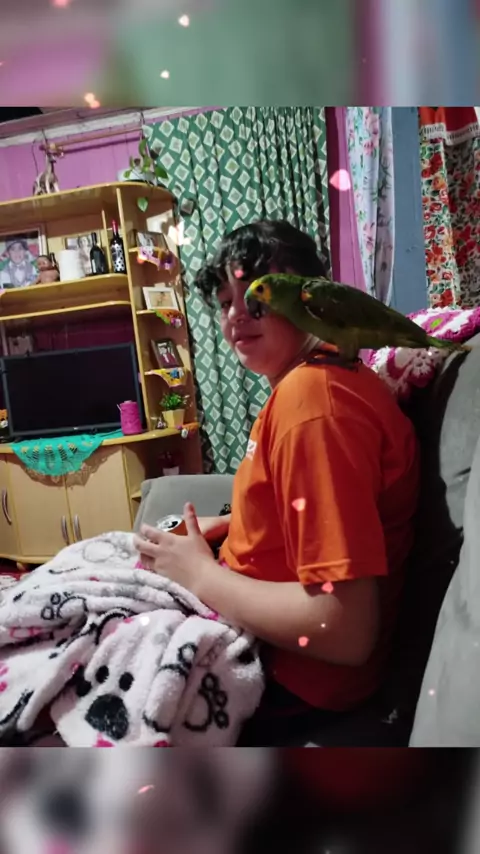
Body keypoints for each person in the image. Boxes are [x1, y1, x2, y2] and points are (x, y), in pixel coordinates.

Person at [133, 220, 419, 745]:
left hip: (293, 682)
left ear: (310, 298)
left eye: (258, 299)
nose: (237, 316)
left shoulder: (314, 406)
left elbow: (345, 629)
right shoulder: (302, 385)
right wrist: (230, 524)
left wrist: (199, 574)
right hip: (256, 634)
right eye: (226, 302)